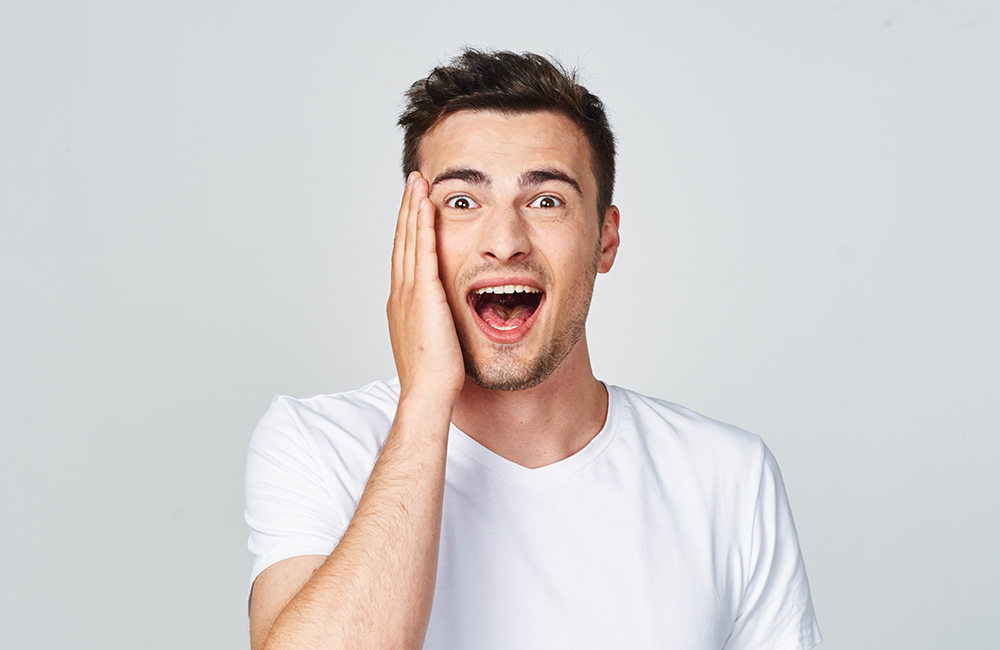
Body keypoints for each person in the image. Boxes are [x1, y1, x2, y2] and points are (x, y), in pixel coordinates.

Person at [244, 49, 822, 650]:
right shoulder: (316, 444)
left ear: (606, 237)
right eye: (462, 202)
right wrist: (424, 402)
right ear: (412, 235)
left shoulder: (728, 476)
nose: (504, 242)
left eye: (546, 200)